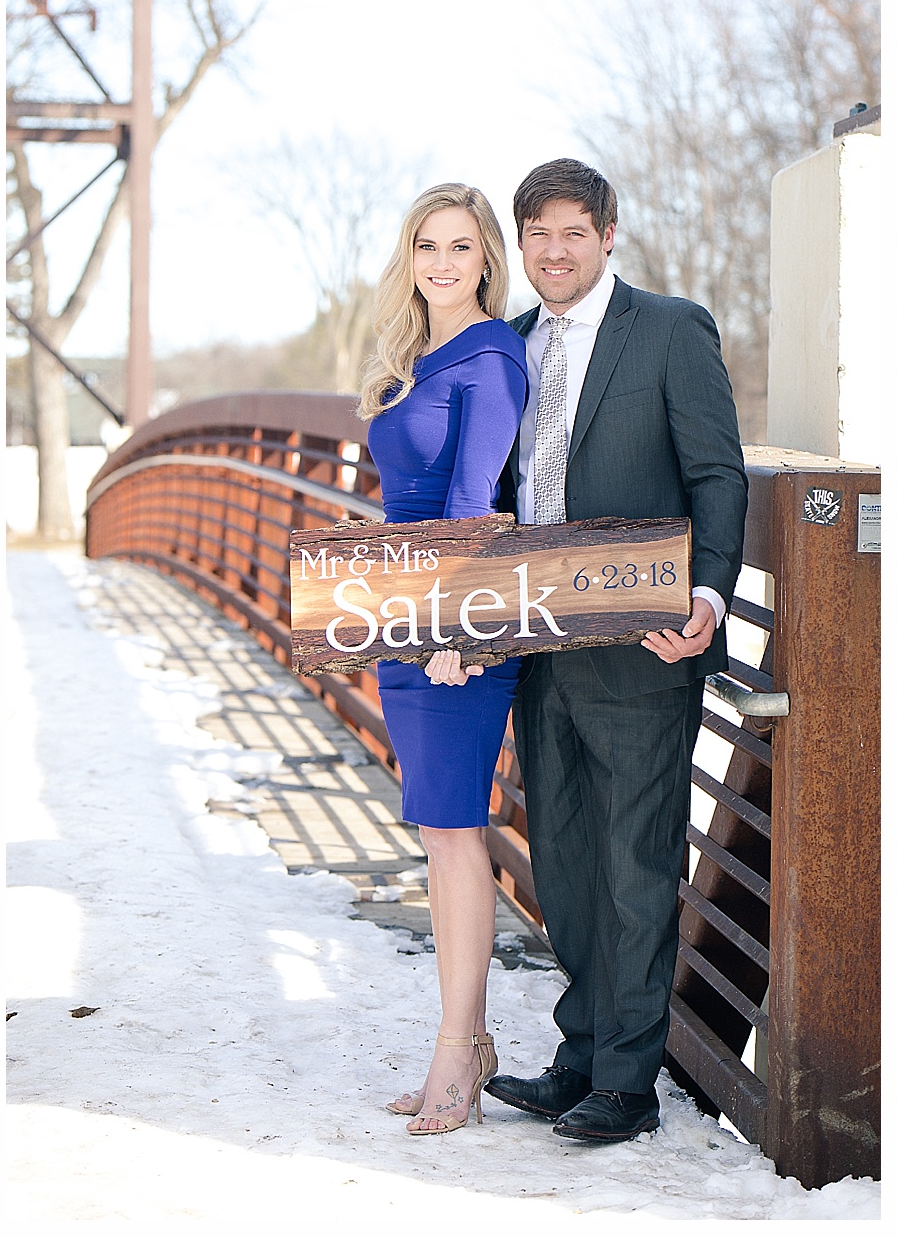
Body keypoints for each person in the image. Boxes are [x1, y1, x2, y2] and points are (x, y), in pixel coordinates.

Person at [482, 158, 748, 1144]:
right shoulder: (508, 346)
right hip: (535, 641)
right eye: (537, 234)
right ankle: (583, 1054)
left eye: (573, 232)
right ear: (523, 244)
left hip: (643, 642)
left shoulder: (671, 330)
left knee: (636, 863)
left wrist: (709, 594)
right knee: (563, 860)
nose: (555, 250)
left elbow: (718, 474)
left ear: (607, 237)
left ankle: (630, 1080)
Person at [362, 184, 528, 1135]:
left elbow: (472, 497)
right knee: (436, 832)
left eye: (461, 246)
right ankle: (463, 1039)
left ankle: (458, 1054)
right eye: (427, 244)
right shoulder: (411, 356)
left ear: (485, 260)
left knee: (456, 830)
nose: (442, 262)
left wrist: (459, 629)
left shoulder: (491, 356)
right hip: (401, 613)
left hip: (454, 622)